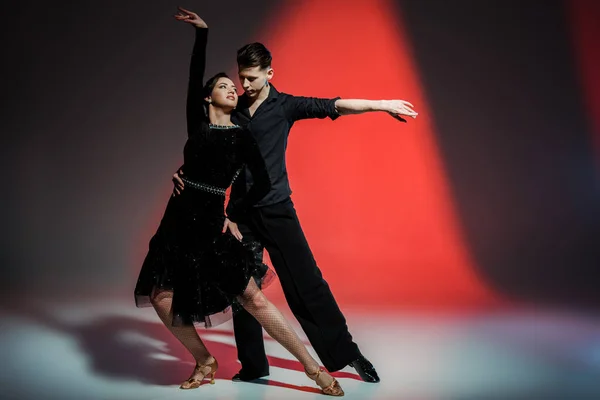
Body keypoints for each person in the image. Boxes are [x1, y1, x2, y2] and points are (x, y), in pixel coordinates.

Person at [173, 7, 418, 384]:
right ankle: (254, 366)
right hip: (239, 215)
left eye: (252, 78)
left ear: (270, 73)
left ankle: (347, 354)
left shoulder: (284, 106)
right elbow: (204, 145)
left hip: (276, 210)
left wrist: (381, 105)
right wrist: (184, 175)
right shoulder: (233, 111)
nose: (245, 85)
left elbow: (333, 105)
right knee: (243, 291)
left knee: (308, 284)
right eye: (241, 78)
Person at [135, 8, 345, 396]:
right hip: (177, 222)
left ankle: (315, 370)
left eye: (236, 86)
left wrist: (234, 215)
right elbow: (193, 75)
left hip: (214, 223)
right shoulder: (196, 124)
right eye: (224, 86)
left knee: (252, 298)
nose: (234, 88)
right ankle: (204, 360)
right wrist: (203, 34)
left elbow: (261, 180)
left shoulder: (244, 135)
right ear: (208, 96)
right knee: (160, 296)